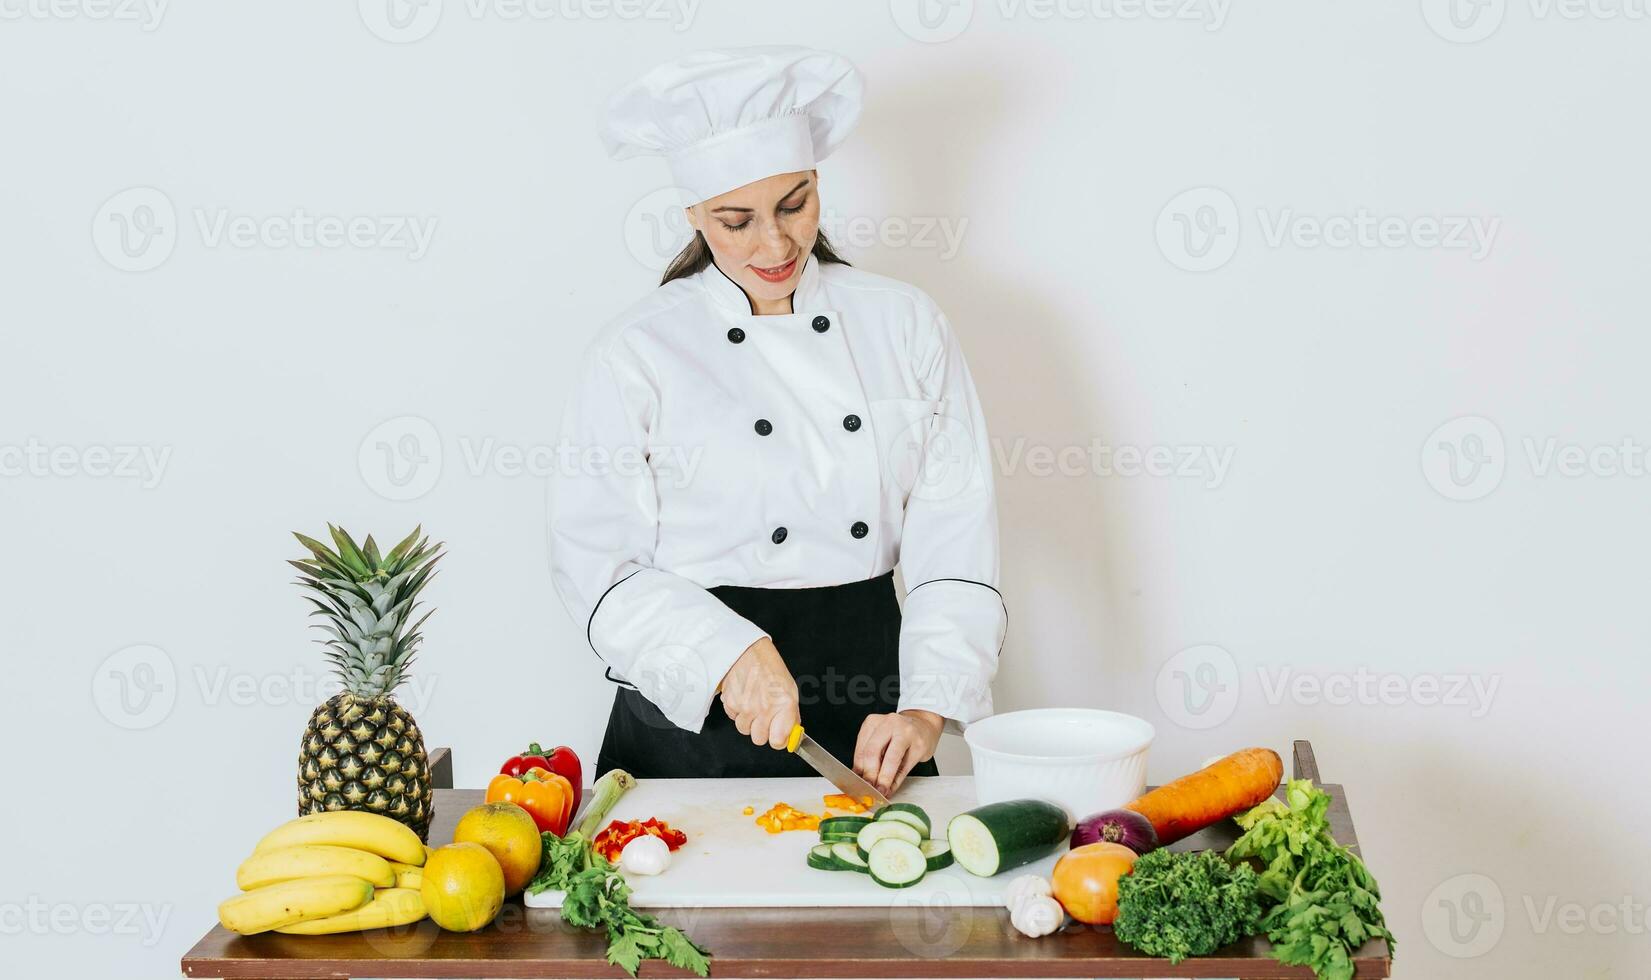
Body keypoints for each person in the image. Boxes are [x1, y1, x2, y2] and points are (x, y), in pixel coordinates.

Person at [549, 46, 1006, 797]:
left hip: (870, 702)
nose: (775, 244)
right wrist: (722, 654)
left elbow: (955, 539)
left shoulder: (903, 323)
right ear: (694, 215)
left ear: (817, 184)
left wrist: (925, 707)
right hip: (688, 714)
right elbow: (597, 564)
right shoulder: (636, 351)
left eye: (793, 205)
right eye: (736, 221)